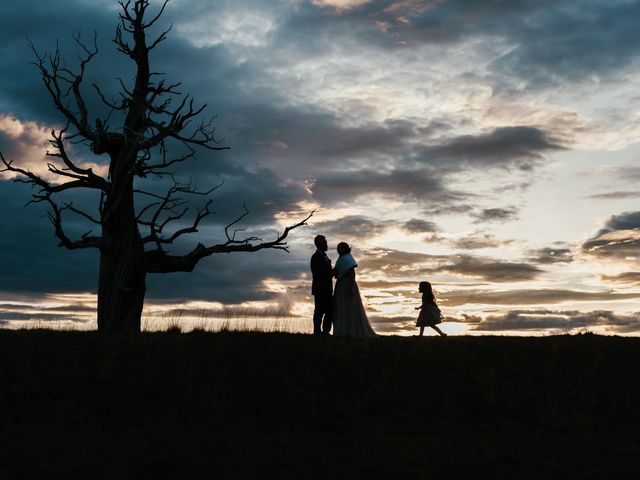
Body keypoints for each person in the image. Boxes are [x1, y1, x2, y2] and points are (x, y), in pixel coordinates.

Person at [332, 242, 377, 338]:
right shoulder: (341, 259)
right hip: (341, 284)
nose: (338, 250)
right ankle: (343, 329)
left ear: (345, 249)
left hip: (347, 284)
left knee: (349, 307)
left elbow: (352, 274)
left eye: (340, 248)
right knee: (342, 307)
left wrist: (349, 288)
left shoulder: (348, 258)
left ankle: (350, 330)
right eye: (337, 248)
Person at [310, 235, 333, 335]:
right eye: (324, 243)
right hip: (320, 289)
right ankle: (317, 331)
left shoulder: (324, 255)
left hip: (327, 289)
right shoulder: (315, 257)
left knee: (329, 311)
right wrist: (332, 272)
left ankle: (325, 331)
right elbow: (318, 272)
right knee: (319, 311)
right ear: (319, 245)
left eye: (326, 243)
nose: (326, 245)